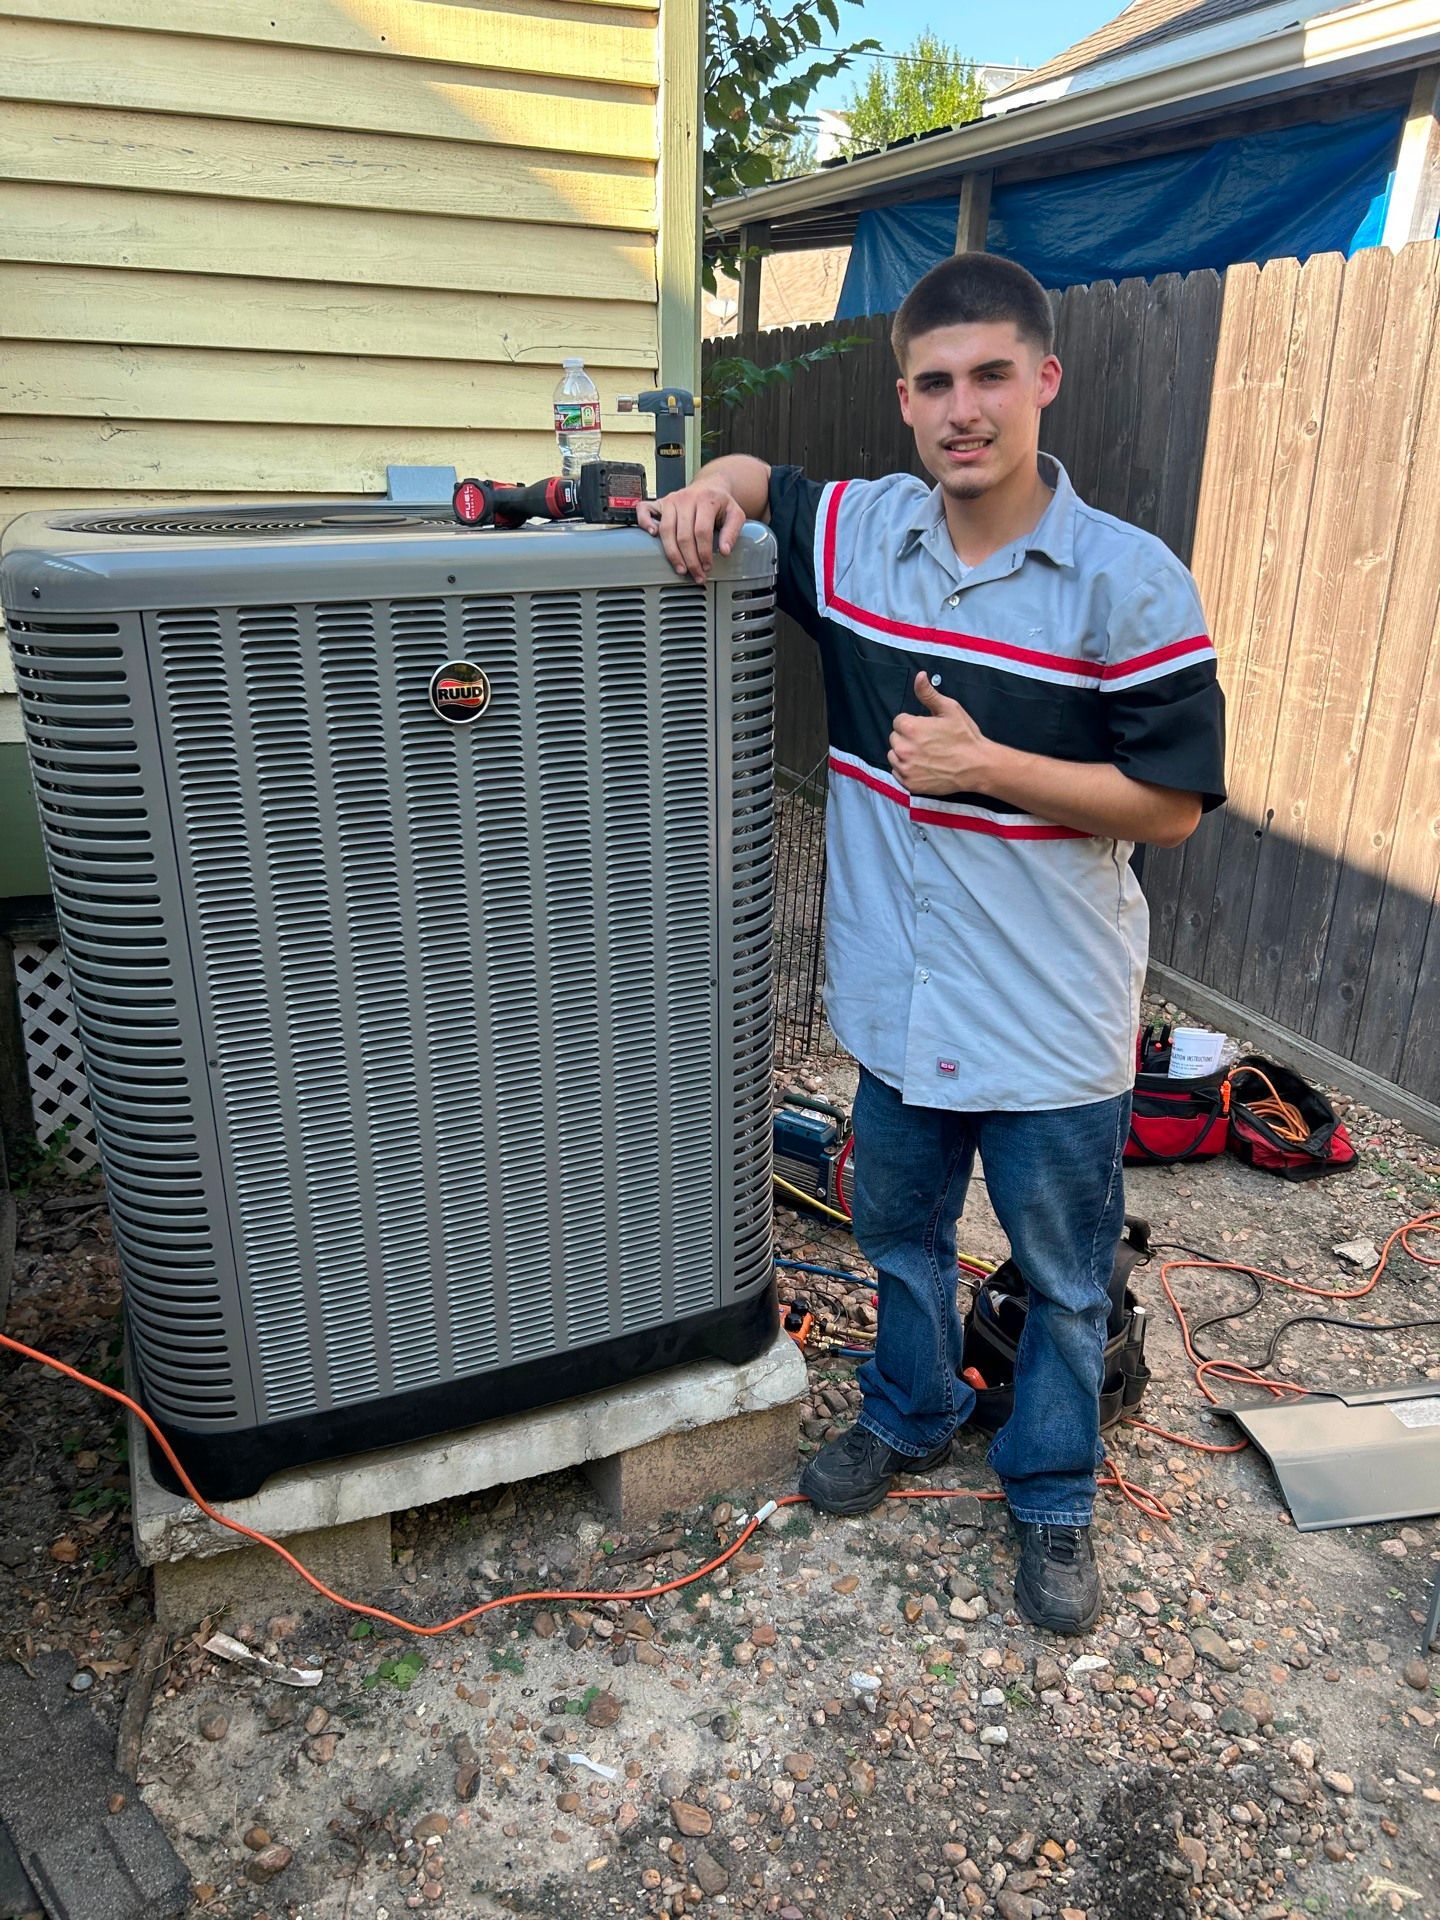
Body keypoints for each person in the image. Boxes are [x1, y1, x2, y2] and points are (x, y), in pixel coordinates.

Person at [638, 252, 1225, 1634]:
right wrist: (710, 491)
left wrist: (988, 766)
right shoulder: (852, 541)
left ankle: (1054, 1489)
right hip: (901, 1015)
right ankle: (909, 1411)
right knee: (900, 1239)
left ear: (1044, 384)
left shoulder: (1127, 587)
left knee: (1069, 1285)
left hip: (1051, 1022)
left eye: (992, 378)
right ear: (904, 400)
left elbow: (1179, 806)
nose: (965, 410)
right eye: (936, 383)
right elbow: (754, 473)